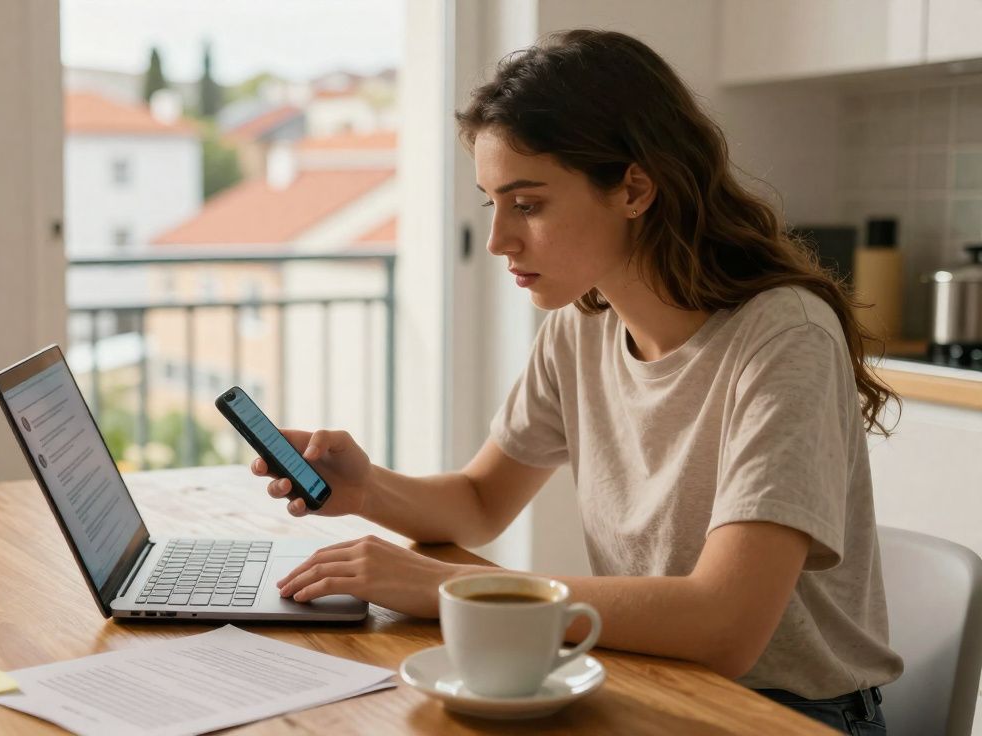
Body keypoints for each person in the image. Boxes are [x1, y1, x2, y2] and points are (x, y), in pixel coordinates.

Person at [250, 30, 902, 733]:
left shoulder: (784, 338)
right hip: (653, 680)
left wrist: (449, 588)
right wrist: (368, 490)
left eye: (528, 205)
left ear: (634, 189)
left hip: (792, 714)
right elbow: (480, 502)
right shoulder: (582, 326)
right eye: (491, 204)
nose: (498, 240)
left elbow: (725, 625)